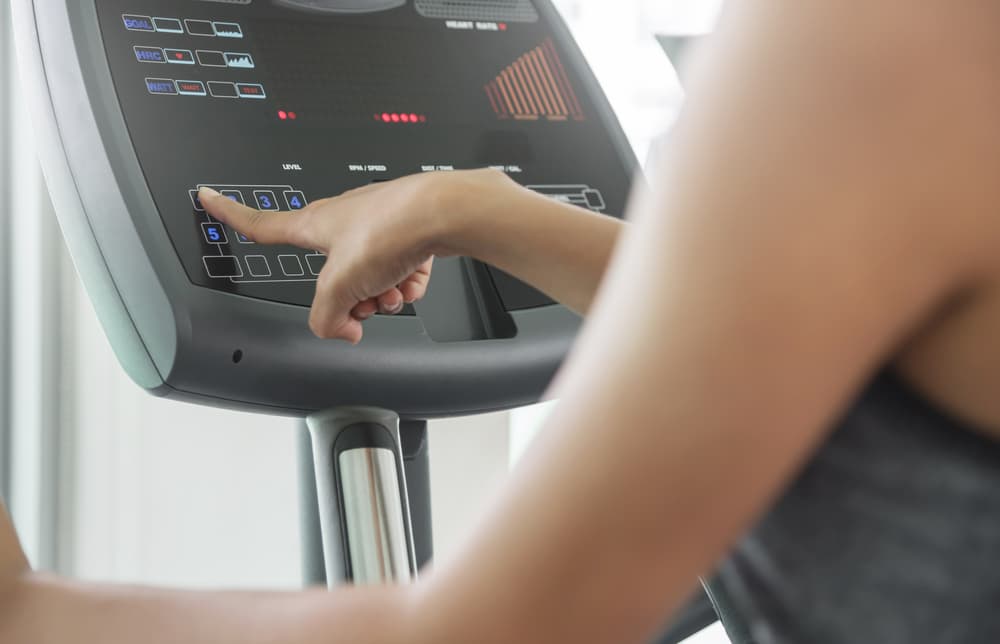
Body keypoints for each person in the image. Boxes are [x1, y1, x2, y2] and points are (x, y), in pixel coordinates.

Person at [3, 1, 1000, 642]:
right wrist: (468, 206)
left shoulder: (877, 42)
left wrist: (33, 613)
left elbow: (499, 627)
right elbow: (839, 304)